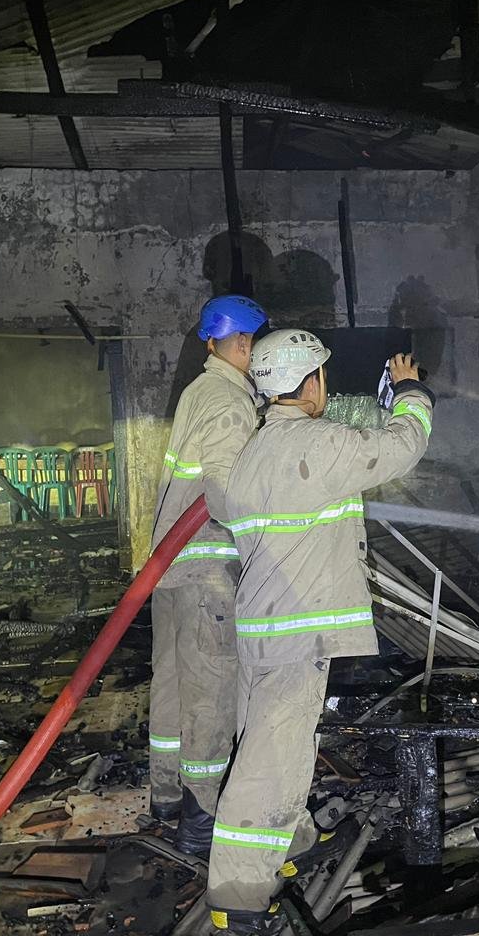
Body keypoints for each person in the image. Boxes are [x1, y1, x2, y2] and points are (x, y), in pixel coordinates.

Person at [206, 330, 434, 934]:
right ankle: (237, 895)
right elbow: (402, 446)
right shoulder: (315, 442)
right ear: (310, 382)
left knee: (278, 746)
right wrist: (411, 394)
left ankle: (290, 841)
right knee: (267, 763)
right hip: (296, 633)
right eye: (322, 376)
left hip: (264, 627)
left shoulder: (255, 451)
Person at [147, 293, 267, 855]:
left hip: (173, 566)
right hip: (208, 570)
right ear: (239, 342)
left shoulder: (200, 389)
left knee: (172, 684)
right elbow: (225, 494)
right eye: (252, 341)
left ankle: (166, 794)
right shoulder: (230, 402)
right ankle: (202, 814)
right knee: (210, 690)